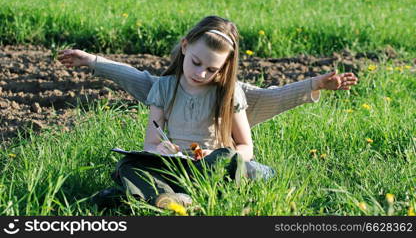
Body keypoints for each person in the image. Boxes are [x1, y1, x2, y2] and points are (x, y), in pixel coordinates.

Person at [58, 16, 358, 209]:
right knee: (129, 165)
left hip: (215, 166)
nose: (201, 74)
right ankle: (171, 199)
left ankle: (146, 198)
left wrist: (317, 83)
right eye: (197, 63)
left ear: (225, 67)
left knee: (245, 166)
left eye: (212, 69)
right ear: (185, 47)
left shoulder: (229, 93)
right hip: (175, 165)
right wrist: (91, 60)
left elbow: (249, 141)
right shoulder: (164, 88)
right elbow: (146, 125)